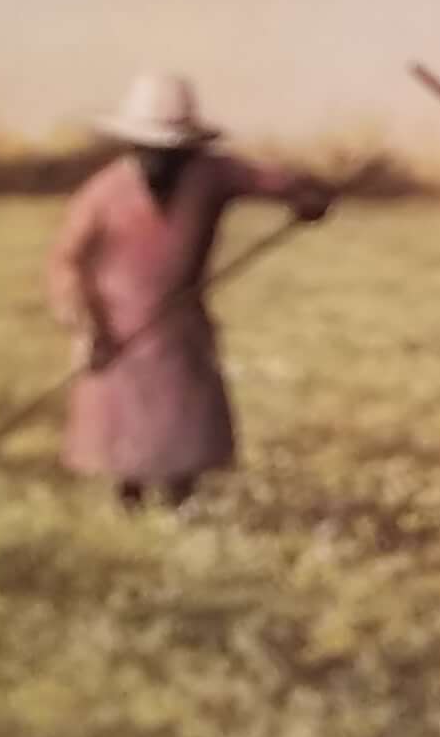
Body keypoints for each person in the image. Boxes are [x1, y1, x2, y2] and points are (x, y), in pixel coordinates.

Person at [46, 69, 333, 509]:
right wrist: (84, 325)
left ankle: (182, 501)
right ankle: (130, 500)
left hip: (181, 324)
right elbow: (66, 260)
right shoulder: (103, 193)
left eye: (172, 152)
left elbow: (273, 181)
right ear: (131, 145)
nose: (161, 162)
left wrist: (307, 195)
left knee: (183, 417)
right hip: (115, 328)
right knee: (123, 420)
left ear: (189, 148)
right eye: (150, 150)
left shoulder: (211, 175)